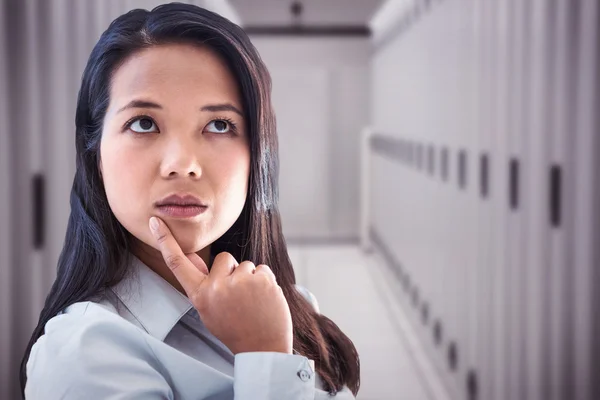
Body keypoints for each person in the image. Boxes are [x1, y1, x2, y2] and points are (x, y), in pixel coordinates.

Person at [19, 3, 360, 399]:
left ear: (256, 156)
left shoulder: (286, 306)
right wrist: (265, 358)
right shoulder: (83, 355)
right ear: (95, 155)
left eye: (219, 125)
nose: (183, 165)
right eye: (144, 123)